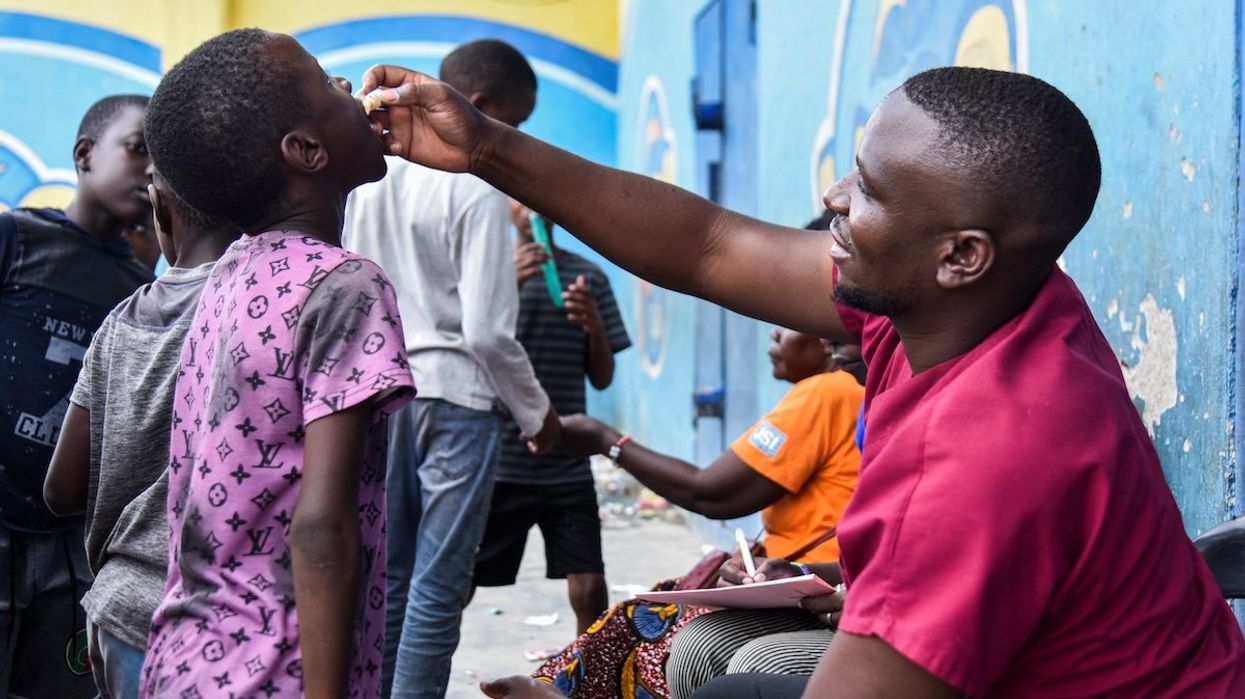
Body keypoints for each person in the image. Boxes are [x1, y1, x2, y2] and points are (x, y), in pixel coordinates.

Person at [362, 63, 1245, 697]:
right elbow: (707, 245)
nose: (832, 198)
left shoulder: (980, 457)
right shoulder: (984, 304)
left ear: (960, 255)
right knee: (710, 656)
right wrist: (483, 146)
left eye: (866, 189)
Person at [135, 29, 414, 699]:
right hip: (277, 673)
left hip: (185, 661)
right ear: (306, 151)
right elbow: (321, 525)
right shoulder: (345, 285)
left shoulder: (232, 272)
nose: (350, 87)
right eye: (326, 81)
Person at [342, 39, 559, 699]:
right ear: (482, 105)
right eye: (514, 124)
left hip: (382, 394)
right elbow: (488, 331)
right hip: (455, 399)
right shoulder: (477, 188)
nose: (512, 139)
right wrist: (536, 413)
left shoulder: (369, 180)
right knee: (439, 583)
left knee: (391, 576)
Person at [535, 327, 863, 698]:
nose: (773, 333)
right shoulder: (846, 394)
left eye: (788, 322)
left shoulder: (827, 391)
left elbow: (712, 493)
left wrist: (608, 443)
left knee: (645, 634)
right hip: (799, 578)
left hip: (811, 591)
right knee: (684, 638)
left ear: (827, 341)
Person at [42, 169, 238, 698]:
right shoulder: (259, 305)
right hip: (204, 619)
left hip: (113, 609)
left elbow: (60, 491)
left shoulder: (121, 320)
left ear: (159, 206)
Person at [0, 94, 154, 697]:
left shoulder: (141, 294)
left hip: (69, 546)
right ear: (85, 155)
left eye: (160, 160)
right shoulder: (17, 240)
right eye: (138, 148)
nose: (149, 170)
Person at [472, 201, 631, 636]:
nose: (530, 208)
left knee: (589, 587)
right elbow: (472, 356)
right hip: (500, 460)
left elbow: (602, 379)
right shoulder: (485, 274)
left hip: (566, 460)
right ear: (504, 209)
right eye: (517, 199)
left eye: (536, 197)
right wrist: (502, 289)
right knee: (459, 581)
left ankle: (584, 678)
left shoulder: (589, 277)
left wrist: (594, 327)